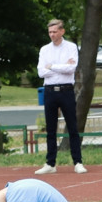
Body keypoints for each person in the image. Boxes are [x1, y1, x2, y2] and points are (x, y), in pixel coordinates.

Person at [36, 19, 85, 175]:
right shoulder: (44, 50)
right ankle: (50, 163)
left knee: (72, 127)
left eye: (55, 31)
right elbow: (41, 72)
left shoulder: (71, 47)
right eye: (50, 32)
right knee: (50, 128)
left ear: (62, 31)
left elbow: (71, 68)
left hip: (66, 91)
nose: (52, 35)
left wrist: (52, 66)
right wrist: (60, 67)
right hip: (49, 91)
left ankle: (78, 162)